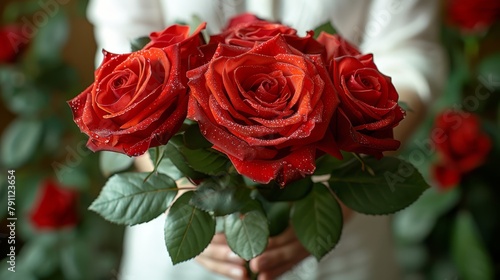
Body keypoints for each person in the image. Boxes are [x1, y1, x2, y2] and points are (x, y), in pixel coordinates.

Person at [87, 0, 446, 279]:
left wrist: (336, 193)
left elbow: (411, 57)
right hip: (187, 254)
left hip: (340, 236)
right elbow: (122, 46)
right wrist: (189, 194)